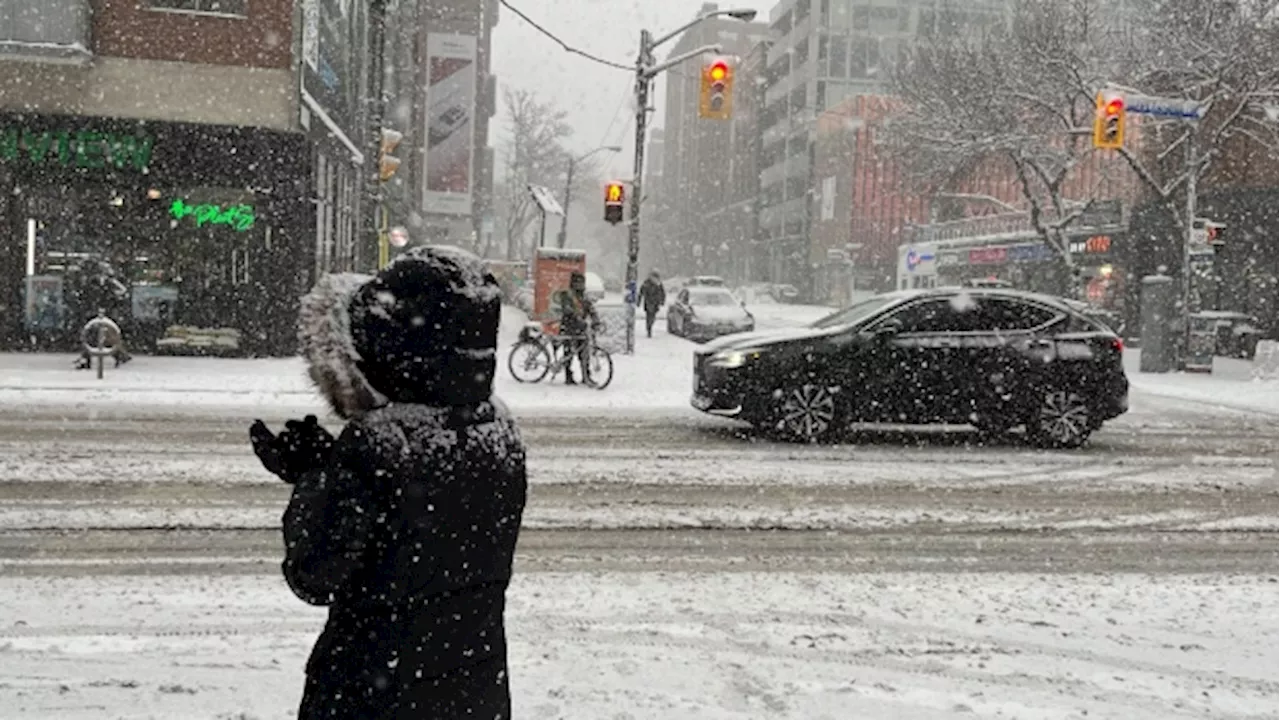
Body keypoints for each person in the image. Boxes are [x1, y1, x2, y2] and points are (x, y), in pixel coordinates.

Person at [248, 246, 528, 720]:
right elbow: (434, 535)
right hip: (472, 690)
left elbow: (313, 575)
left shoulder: (380, 444)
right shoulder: (499, 431)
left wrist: (315, 477)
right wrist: (331, 469)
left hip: (375, 692)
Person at [556, 271, 601, 386]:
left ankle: (586, 376)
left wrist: (596, 320)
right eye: (578, 282)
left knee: (584, 354)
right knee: (568, 354)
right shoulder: (567, 295)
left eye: (582, 282)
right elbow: (567, 310)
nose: (580, 285)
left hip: (580, 329)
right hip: (569, 327)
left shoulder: (584, 297)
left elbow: (591, 309)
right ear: (573, 283)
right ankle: (568, 376)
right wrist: (577, 319)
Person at [637, 270, 666, 338]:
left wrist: (662, 301)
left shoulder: (659, 284)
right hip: (648, 302)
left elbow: (662, 293)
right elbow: (641, 293)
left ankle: (650, 325)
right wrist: (638, 301)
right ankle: (649, 329)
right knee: (649, 316)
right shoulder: (646, 283)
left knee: (653, 317)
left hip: (656, 303)